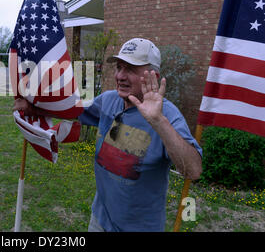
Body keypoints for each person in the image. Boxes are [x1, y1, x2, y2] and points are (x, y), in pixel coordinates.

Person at [13, 38, 203, 232]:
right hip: (100, 221)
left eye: (130, 69)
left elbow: (193, 171)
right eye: (119, 67)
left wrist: (158, 121)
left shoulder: (167, 115)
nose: (120, 75)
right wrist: (33, 108)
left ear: (154, 75)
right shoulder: (109, 100)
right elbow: (72, 111)